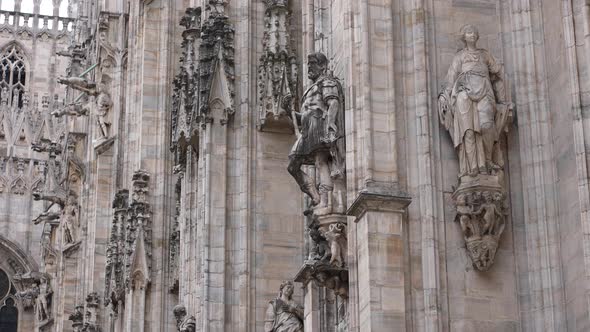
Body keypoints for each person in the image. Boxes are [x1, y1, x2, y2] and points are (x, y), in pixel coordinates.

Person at [438, 24, 512, 177]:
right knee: (468, 132)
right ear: (464, 37)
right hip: (463, 92)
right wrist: (444, 96)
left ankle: (487, 159)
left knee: (486, 125)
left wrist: (505, 100)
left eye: (474, 32)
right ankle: (473, 167)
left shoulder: (485, 55)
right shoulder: (459, 57)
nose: (472, 35)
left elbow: (500, 75)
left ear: (477, 36)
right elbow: (450, 78)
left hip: (485, 90)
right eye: (468, 33)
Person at [287, 52, 344, 211]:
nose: (309, 67)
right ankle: (315, 196)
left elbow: (333, 103)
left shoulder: (326, 82)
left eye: (313, 63)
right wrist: (288, 109)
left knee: (320, 161)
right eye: (308, 63)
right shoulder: (311, 88)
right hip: (308, 126)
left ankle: (325, 201)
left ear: (322, 66)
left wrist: (331, 124)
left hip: (318, 123)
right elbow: (301, 117)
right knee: (292, 165)